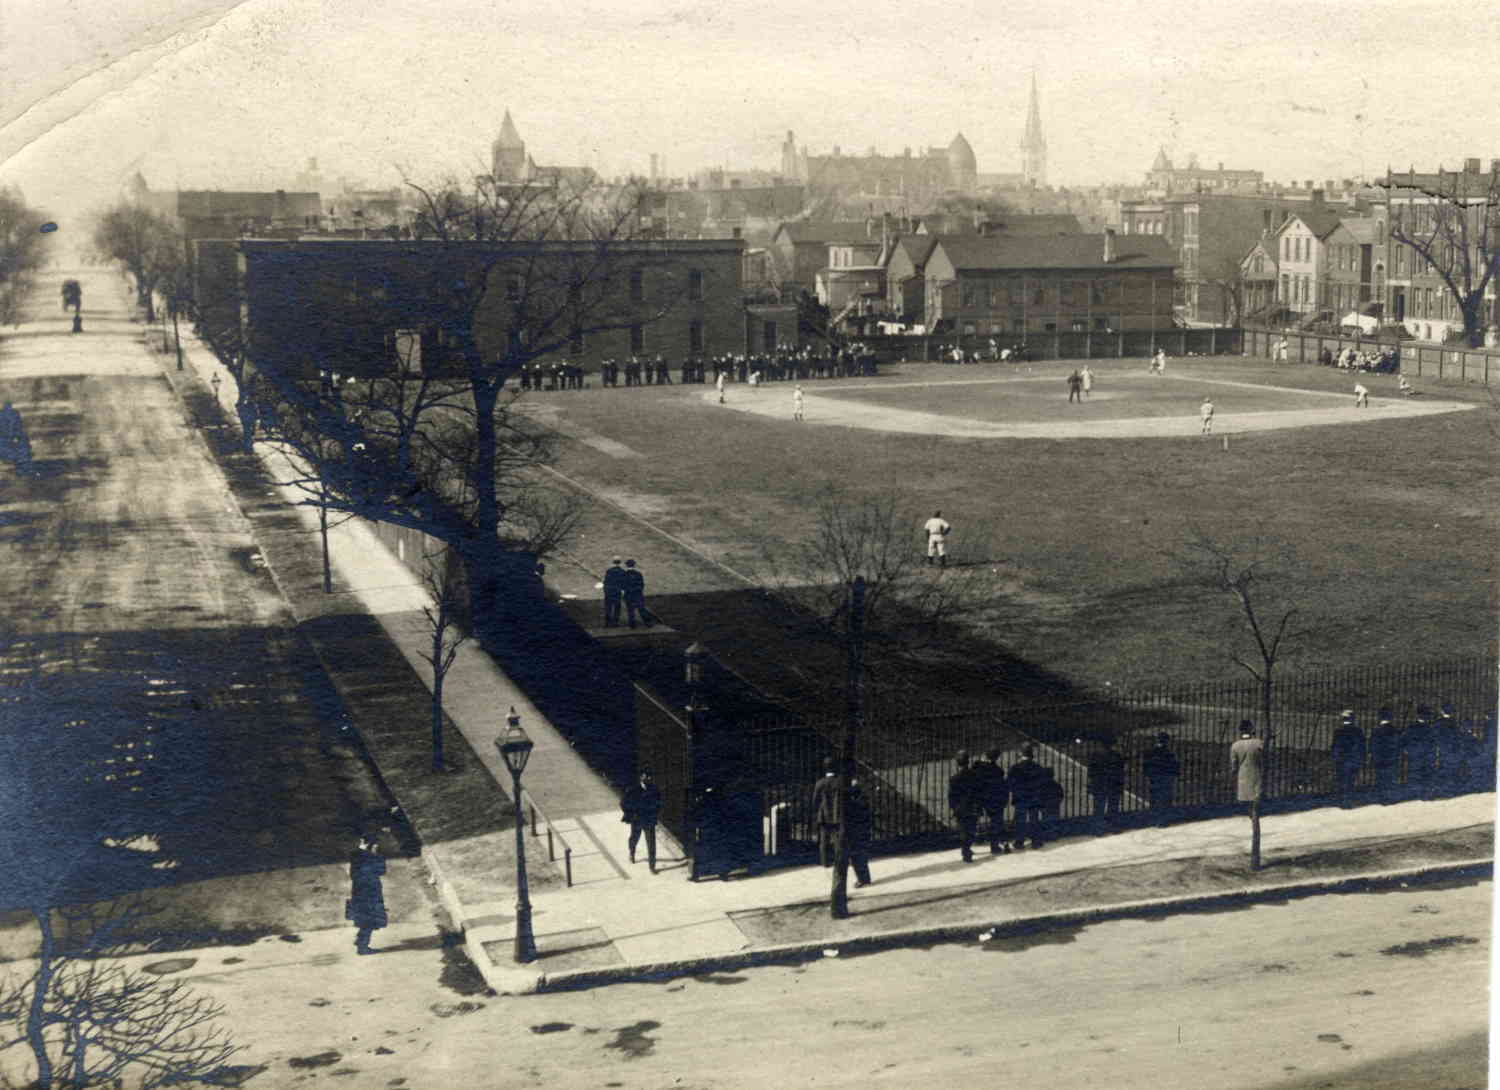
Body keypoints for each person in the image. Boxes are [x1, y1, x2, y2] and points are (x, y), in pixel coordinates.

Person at [347, 834, 388, 955]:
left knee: (364, 919)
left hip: (358, 891)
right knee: (369, 920)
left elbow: (353, 874)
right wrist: (376, 856)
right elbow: (381, 871)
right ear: (371, 844)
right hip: (370, 893)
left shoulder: (354, 855)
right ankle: (362, 947)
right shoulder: (370, 856)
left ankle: (360, 940)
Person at [621, 768, 664, 871]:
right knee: (634, 838)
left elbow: (659, 803)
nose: (649, 778)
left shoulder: (654, 789)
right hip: (637, 820)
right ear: (641, 777)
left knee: (651, 843)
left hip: (649, 820)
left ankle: (652, 866)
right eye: (646, 776)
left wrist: (655, 814)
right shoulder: (633, 789)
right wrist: (630, 813)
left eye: (650, 776)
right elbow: (623, 803)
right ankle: (632, 851)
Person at [1006, 745, 1046, 850]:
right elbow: (1042, 783)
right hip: (1033, 796)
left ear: (1021, 754)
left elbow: (1009, 783)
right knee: (1034, 818)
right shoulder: (1038, 767)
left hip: (1020, 797)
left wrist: (1016, 791)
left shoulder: (1015, 768)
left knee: (1020, 820)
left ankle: (1019, 841)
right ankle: (1035, 841)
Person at [973, 748, 1010, 854]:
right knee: (996, 822)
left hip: (979, 798)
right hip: (992, 799)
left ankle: (969, 846)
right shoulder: (997, 771)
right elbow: (1001, 786)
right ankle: (995, 846)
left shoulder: (977, 767)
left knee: (973, 821)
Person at [948, 750, 980, 863]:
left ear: (957, 763)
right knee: (971, 829)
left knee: (963, 829)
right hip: (973, 807)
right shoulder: (976, 776)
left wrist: (954, 808)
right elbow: (979, 792)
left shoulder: (954, 779)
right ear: (968, 761)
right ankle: (967, 848)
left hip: (961, 808)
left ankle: (965, 849)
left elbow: (951, 797)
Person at [1086, 737, 1126, 827]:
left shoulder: (1095, 755)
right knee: (1113, 806)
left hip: (1099, 784)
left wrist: (1090, 784)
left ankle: (1098, 827)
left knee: (1098, 807)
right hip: (1113, 784)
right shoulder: (1116, 755)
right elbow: (1120, 771)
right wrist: (1120, 784)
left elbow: (1091, 772)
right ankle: (1112, 825)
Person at [1330, 709, 1367, 806]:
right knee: (1351, 780)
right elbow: (1361, 747)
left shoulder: (1338, 731)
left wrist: (1335, 758)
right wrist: (1361, 759)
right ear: (1353, 719)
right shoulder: (1358, 731)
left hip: (1342, 761)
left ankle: (1343, 800)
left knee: (1342, 780)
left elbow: (1335, 747)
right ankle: (1349, 800)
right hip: (1353, 760)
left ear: (1342, 719)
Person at [1401, 705, 1438, 799]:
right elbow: (1434, 744)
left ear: (1417, 716)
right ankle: (1425, 795)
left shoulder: (1411, 727)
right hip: (1427, 758)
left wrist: (1409, 752)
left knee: (1414, 776)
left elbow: (1404, 742)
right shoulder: (1431, 729)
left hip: (1415, 757)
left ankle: (1415, 795)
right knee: (1426, 777)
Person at [1141, 733, 1180, 820]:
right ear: (1167, 741)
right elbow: (1174, 765)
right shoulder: (1169, 753)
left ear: (1158, 739)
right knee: (1166, 798)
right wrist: (1174, 775)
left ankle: (1153, 816)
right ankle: (1164, 817)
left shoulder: (1151, 751)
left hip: (1155, 777)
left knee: (1154, 797)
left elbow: (1146, 764)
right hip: (1166, 778)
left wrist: (1148, 774)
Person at [809, 758, 839, 867]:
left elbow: (815, 801)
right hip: (837, 814)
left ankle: (824, 861)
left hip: (824, 815)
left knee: (824, 840)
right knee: (837, 840)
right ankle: (838, 861)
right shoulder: (839, 782)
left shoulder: (820, 783)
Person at [1369, 708, 1402, 802]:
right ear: (1390, 717)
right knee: (1391, 778)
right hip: (1391, 758)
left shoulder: (1375, 731)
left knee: (1380, 777)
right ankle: (1390, 797)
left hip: (1379, 758)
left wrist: (1374, 756)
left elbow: (1372, 745)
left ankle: (1382, 798)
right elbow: (1398, 745)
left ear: (1379, 717)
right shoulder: (1395, 730)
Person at [846, 775, 874, 887]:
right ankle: (865, 878)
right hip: (863, 831)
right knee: (862, 856)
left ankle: (862, 879)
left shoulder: (853, 803)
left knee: (856, 857)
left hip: (855, 833)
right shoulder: (863, 800)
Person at [1034, 767, 1065, 847]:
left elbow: (1039, 795)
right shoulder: (1056, 784)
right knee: (1053, 820)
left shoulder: (1042, 785)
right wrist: (1057, 802)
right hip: (1054, 805)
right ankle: (1053, 835)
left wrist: (1040, 804)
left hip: (1045, 806)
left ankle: (1046, 836)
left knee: (1045, 820)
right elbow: (1060, 794)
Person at [621, 558, 654, 628]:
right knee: (641, 609)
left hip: (628, 594)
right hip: (638, 594)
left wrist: (628, 591)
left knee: (630, 611)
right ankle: (648, 624)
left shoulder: (624, 574)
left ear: (626, 565)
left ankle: (632, 625)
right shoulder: (638, 574)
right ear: (634, 565)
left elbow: (623, 586)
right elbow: (641, 585)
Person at [601, 556, 627, 627]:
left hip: (609, 592)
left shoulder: (609, 571)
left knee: (608, 608)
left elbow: (606, 582)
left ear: (613, 562)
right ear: (620, 562)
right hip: (617, 592)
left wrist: (605, 591)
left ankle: (607, 623)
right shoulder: (623, 572)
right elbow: (624, 584)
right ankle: (615, 623)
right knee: (617, 608)